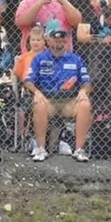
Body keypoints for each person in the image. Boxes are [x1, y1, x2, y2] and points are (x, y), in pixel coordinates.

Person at [25, 26, 93, 162]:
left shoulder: (76, 59)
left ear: (66, 41)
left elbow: (87, 82)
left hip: (69, 101)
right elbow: (28, 81)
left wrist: (83, 91)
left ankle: (79, 149)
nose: (59, 43)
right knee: (38, 104)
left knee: (85, 105)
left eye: (62, 40)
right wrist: (36, 92)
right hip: (47, 99)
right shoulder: (39, 59)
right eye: (55, 40)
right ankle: (41, 148)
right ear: (48, 41)